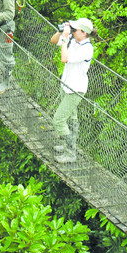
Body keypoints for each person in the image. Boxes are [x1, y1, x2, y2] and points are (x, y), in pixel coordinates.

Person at [49, 18, 94, 163]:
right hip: (66, 84)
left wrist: (65, 39)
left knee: (58, 120)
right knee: (71, 118)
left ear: (84, 33)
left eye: (76, 30)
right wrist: (61, 31)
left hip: (75, 89)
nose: (73, 31)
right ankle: (67, 145)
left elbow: (64, 58)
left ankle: (70, 151)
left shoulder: (87, 48)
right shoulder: (74, 41)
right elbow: (53, 40)